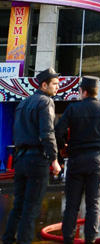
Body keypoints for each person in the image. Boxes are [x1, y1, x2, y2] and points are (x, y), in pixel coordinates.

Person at [55, 76, 100, 244]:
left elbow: (58, 132)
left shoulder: (72, 109)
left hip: (76, 160)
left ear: (83, 91)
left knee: (72, 205)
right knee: (93, 205)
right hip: (96, 161)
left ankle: (68, 239)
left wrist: (64, 148)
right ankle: (90, 239)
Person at [2, 67, 62, 244]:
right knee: (31, 207)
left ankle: (8, 239)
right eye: (54, 84)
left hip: (20, 159)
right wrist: (54, 160)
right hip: (37, 160)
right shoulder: (46, 102)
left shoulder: (23, 103)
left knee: (18, 205)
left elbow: (17, 131)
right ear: (44, 85)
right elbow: (47, 133)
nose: (57, 87)